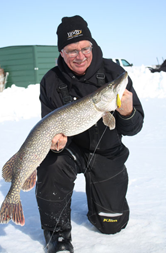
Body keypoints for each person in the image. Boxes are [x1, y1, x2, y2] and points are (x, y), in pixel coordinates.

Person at [36, 16, 144, 253]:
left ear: (92, 45)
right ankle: (57, 236)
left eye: (85, 48)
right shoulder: (51, 81)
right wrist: (56, 144)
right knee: (51, 162)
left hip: (106, 153)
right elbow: (47, 128)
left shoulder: (113, 74)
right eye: (72, 50)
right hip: (71, 152)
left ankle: (102, 207)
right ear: (61, 53)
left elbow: (135, 128)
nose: (80, 55)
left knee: (111, 225)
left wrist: (127, 113)